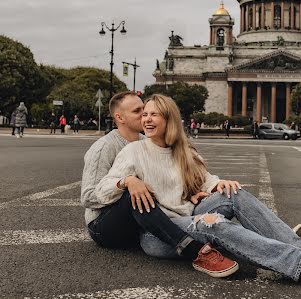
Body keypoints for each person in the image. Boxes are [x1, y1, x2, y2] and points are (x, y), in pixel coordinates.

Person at [96, 94, 301, 290]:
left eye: (155, 115)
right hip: (160, 234)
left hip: (190, 215)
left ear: (169, 119)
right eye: (145, 115)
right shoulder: (133, 152)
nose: (147, 119)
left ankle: (300, 249)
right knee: (214, 223)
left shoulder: (185, 152)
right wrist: (127, 181)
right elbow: (102, 191)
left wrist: (219, 185)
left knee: (234, 192)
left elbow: (206, 181)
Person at [81, 91, 238, 278]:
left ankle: (219, 240)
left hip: (142, 221)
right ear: (119, 117)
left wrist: (187, 193)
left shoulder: (147, 141)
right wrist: (126, 183)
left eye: (146, 109)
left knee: (226, 201)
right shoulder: (104, 147)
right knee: (134, 194)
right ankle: (193, 250)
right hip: (104, 224)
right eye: (138, 111)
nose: (145, 114)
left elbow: (163, 179)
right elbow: (88, 197)